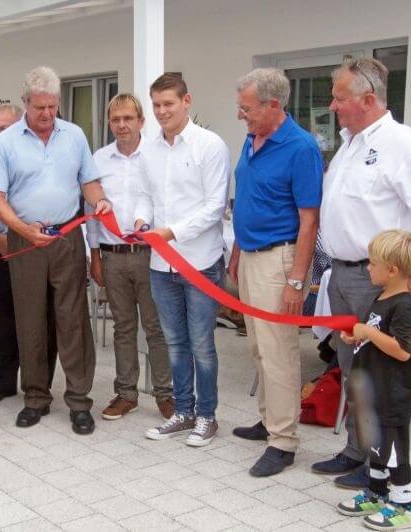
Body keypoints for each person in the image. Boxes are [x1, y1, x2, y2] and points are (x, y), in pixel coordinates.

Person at [313, 57, 411, 489]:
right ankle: (357, 450)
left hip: (381, 283)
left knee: (378, 376)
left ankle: (378, 464)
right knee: (353, 368)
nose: (331, 105)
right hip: (344, 274)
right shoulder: (350, 142)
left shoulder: (402, 143)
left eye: (339, 97)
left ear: (367, 99)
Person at [0, 65, 112, 435]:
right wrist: (21, 229)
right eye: (40, 107)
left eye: (53, 107)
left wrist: (99, 200)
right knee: (31, 321)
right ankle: (36, 398)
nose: (47, 114)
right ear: (25, 103)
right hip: (25, 241)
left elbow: (89, 182)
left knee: (73, 320)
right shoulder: (7, 142)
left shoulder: (74, 136)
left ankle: (79, 401)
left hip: (66, 239)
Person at [228, 68, 323, 476]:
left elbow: (309, 220)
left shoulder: (300, 148)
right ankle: (269, 420)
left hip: (279, 260)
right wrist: (235, 252)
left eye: (246, 108)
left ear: (272, 105)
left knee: (279, 352)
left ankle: (283, 441)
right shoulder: (253, 138)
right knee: (257, 347)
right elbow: (247, 200)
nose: (241, 116)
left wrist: (297, 280)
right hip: (250, 256)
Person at [138, 73, 231, 447]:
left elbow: (214, 207)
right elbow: (146, 195)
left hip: (200, 262)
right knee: (173, 343)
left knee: (201, 344)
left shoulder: (210, 146)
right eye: (157, 105)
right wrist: (141, 220)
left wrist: (172, 232)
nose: (162, 112)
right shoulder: (149, 149)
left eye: (169, 104)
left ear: (186, 101)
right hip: (162, 265)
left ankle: (207, 416)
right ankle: (183, 411)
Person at [86, 93, 173, 421]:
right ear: (109, 123)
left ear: (141, 121)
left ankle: (165, 394)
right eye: (115, 120)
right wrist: (94, 254)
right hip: (112, 256)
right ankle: (126, 394)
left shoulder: (156, 155)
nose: (121, 125)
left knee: (155, 327)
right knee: (122, 327)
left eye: (128, 119)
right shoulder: (99, 159)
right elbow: (91, 210)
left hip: (150, 255)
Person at [336, 229, 411, 530]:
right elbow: (377, 338)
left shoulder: (402, 305)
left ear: (393, 270)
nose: (368, 267)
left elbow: (402, 350)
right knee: (375, 447)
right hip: (371, 390)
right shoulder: (382, 296)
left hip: (390, 394)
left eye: (372, 263)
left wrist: (368, 332)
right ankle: (376, 491)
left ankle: (403, 503)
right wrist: (357, 338)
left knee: (394, 451)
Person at [0, 104, 59, 405]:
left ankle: (40, 384)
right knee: (4, 318)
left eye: (5, 128)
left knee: (42, 318)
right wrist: (2, 242)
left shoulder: (38, 161)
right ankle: (4, 381)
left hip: (36, 250)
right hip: (1, 249)